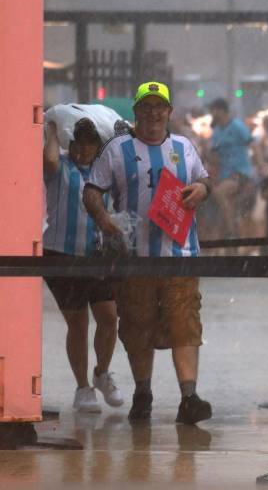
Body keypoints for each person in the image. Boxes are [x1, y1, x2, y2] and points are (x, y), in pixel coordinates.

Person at [83, 81, 213, 425]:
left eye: (160, 106)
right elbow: (93, 190)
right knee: (137, 325)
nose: (153, 113)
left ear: (169, 112)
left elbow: (204, 181)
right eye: (146, 106)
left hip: (180, 256)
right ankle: (143, 392)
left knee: (185, 322)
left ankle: (189, 398)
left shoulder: (185, 147)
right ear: (136, 112)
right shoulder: (116, 150)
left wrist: (201, 189)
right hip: (134, 258)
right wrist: (103, 218)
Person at [43, 117, 123, 413]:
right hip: (61, 255)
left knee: (109, 317)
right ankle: (82, 387)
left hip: (98, 255)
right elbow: (49, 159)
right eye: (79, 142)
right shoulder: (59, 167)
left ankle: (101, 373)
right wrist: (52, 127)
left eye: (92, 142)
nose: (85, 149)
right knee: (77, 322)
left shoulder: (106, 173)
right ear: (71, 143)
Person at [208, 98, 257, 238]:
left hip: (240, 172)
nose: (212, 114)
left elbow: (252, 144)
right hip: (224, 175)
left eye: (213, 110)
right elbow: (215, 158)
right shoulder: (216, 132)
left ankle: (231, 230)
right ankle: (231, 228)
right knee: (222, 204)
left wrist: (260, 166)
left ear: (221, 111)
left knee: (220, 192)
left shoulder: (237, 126)